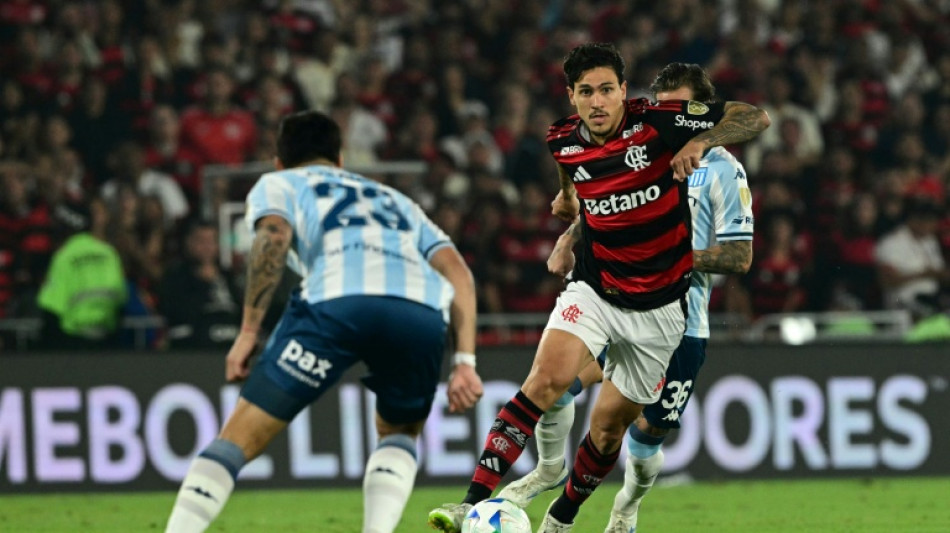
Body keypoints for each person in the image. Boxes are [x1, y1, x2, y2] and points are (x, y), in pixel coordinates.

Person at [428, 43, 769, 533]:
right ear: (572, 96)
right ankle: (475, 499)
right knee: (546, 383)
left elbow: (754, 118)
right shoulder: (562, 137)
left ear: (624, 93)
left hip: (667, 313)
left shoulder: (671, 133)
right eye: (586, 92)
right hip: (598, 290)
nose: (598, 100)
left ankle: (589, 513)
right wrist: (569, 219)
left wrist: (698, 142)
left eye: (607, 89)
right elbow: (578, 174)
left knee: (616, 434)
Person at [164, 110, 484, 533]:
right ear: (340, 159)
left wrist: (247, 332)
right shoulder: (396, 200)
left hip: (337, 303)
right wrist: (465, 359)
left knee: (236, 442)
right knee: (399, 432)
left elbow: (273, 236)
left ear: (279, 161)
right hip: (418, 312)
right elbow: (457, 271)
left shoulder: (280, 183)